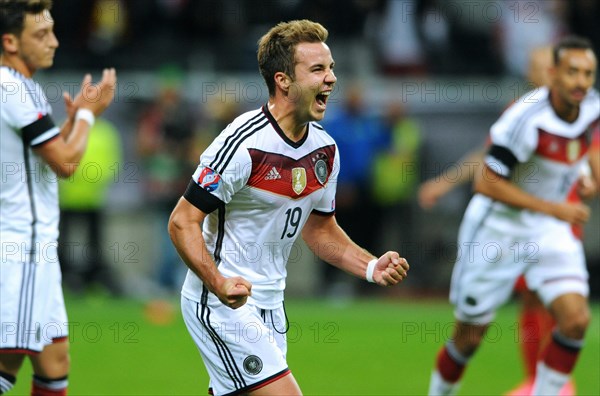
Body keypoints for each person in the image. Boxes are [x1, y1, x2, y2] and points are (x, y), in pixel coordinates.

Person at [168, 20, 410, 396]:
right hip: (221, 303)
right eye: (318, 69)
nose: (331, 79)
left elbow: (320, 229)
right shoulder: (242, 144)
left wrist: (370, 266)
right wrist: (217, 283)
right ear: (283, 80)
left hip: (271, 306)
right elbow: (182, 221)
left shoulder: (324, 150)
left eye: (330, 68)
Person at [420, 45, 597, 396]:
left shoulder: (589, 105)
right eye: (569, 72)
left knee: (575, 319)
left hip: (549, 229)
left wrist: (583, 174)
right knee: (469, 338)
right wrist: (554, 208)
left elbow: (576, 147)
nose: (579, 81)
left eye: (586, 73)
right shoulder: (522, 117)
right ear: (549, 75)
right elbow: (485, 180)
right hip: (498, 230)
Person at [0, 1, 117, 394]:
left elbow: (48, 159)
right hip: (22, 247)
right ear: (10, 42)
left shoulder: (20, 88)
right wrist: (86, 115)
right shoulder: (12, 88)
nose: (54, 41)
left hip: (36, 248)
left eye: (52, 31)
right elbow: (66, 164)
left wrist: (70, 124)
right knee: (7, 361)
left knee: (55, 361)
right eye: (41, 34)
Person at [58, 118, 123, 296]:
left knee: (94, 244)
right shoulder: (69, 128)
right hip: (68, 198)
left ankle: (92, 279)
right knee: (63, 243)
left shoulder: (106, 131)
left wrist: (94, 180)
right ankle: (64, 278)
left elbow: (113, 162)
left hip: (94, 198)